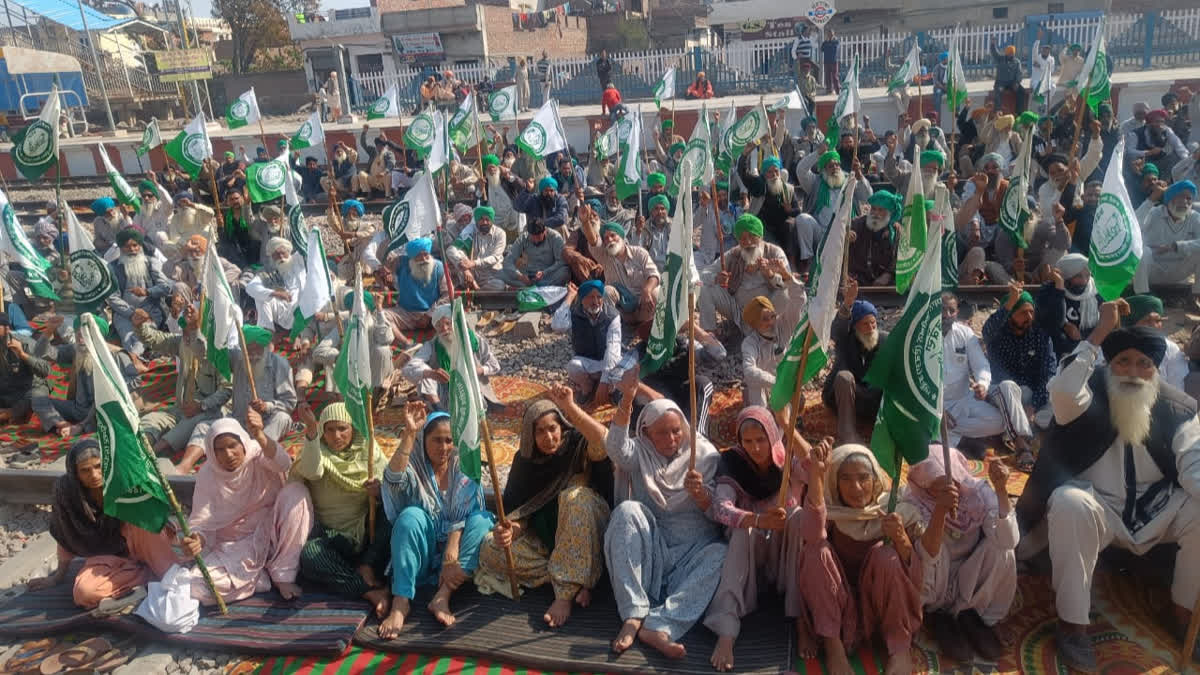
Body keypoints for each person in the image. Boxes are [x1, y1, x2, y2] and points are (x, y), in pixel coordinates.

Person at [1014, 301, 1200, 671]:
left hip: (1153, 510)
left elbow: (1193, 460)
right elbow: (1063, 395)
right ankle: (1073, 624)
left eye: (1143, 364)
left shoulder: (1178, 407)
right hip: (1098, 507)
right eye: (1124, 362)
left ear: (1156, 369)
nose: (1133, 372)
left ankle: (1182, 609)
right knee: (1069, 503)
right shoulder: (1089, 393)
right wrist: (1098, 334)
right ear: (1109, 365)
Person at [585, 365, 727, 660]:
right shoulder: (639, 453)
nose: (672, 439)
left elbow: (718, 513)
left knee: (721, 555)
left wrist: (701, 494)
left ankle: (661, 624)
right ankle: (634, 613)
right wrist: (627, 399)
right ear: (646, 433)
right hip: (654, 552)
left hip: (692, 553)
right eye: (662, 433)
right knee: (626, 512)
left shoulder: (704, 456)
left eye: (676, 431)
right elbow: (614, 447)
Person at [477, 393, 613, 626]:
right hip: (549, 541)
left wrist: (570, 406)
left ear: (562, 426)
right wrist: (510, 531)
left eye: (553, 428)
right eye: (540, 431)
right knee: (490, 549)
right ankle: (575, 579)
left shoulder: (579, 445)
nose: (549, 437)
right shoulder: (525, 461)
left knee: (575, 497)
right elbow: (521, 512)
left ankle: (564, 595)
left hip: (589, 534)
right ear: (530, 435)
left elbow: (604, 442)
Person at [798, 441, 925, 675]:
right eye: (845, 479)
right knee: (816, 551)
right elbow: (812, 535)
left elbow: (917, 575)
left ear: (876, 479)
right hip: (840, 608)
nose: (855, 487)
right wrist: (816, 475)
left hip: (878, 610)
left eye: (863, 477)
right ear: (835, 482)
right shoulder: (831, 509)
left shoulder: (895, 509)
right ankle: (833, 647)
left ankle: (899, 649)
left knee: (886, 555)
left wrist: (901, 539)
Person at [701, 407, 813, 671]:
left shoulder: (783, 458)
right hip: (751, 556)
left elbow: (813, 469)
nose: (755, 448)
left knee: (797, 516)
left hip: (782, 554)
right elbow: (720, 508)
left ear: (772, 437)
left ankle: (799, 618)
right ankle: (726, 629)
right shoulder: (732, 462)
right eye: (748, 441)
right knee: (743, 529)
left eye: (761, 440)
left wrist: (786, 425)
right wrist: (759, 520)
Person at [378, 406, 494, 635]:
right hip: (422, 556)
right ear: (424, 441)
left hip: (457, 561)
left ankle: (443, 596)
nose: (444, 448)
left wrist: (452, 549)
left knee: (482, 520)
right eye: (437, 440)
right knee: (410, 517)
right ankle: (400, 603)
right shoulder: (415, 465)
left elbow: (465, 511)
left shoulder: (462, 465)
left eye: (449, 440)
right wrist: (410, 433)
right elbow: (392, 480)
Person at [178, 414, 313, 605]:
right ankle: (261, 576)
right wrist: (196, 540)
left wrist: (260, 435)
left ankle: (284, 574)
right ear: (211, 452)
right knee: (195, 586)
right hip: (236, 547)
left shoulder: (258, 452)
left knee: (296, 493)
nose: (228, 455)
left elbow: (284, 463)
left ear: (243, 442)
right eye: (220, 449)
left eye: (232, 446)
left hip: (274, 533)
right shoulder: (208, 474)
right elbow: (201, 521)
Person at [26, 440, 177, 609]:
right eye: (85, 470)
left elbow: (156, 512)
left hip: (141, 541)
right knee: (84, 594)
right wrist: (57, 577)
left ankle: (168, 574)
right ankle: (148, 575)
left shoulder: (121, 478)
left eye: (99, 466)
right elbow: (65, 534)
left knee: (145, 521)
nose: (95, 475)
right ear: (75, 473)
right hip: (107, 556)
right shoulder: (66, 491)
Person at [904, 447, 1016, 662]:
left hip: (969, 572)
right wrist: (940, 511)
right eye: (938, 487)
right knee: (930, 555)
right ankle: (937, 616)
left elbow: (1009, 539)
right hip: (936, 580)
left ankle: (973, 615)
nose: (951, 489)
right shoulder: (913, 502)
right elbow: (927, 554)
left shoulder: (977, 491)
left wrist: (1001, 491)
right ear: (925, 485)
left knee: (1002, 548)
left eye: (954, 482)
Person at [293, 402, 392, 615]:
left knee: (396, 513)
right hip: (334, 537)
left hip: (368, 533)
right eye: (329, 429)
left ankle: (367, 565)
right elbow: (311, 471)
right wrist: (311, 432)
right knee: (310, 556)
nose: (336, 436)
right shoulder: (315, 450)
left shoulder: (369, 449)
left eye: (342, 429)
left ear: (352, 429)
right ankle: (366, 590)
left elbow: (393, 484)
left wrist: (380, 491)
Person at [133, 304, 231, 469]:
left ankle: (150, 456)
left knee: (192, 423)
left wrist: (201, 406)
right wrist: (139, 326)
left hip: (208, 411)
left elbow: (226, 390)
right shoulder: (181, 342)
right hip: (180, 409)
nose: (186, 337)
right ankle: (142, 449)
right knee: (149, 421)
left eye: (191, 333)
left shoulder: (219, 353)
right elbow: (155, 339)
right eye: (184, 332)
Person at [941, 293, 1034, 460]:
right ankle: (957, 437)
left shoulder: (965, 333)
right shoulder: (924, 338)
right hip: (938, 406)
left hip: (965, 398)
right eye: (942, 310)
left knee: (1002, 420)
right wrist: (938, 411)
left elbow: (981, 365)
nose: (946, 315)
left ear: (957, 312)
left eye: (951, 310)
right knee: (930, 423)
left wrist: (982, 384)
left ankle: (953, 437)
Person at [983, 283, 1057, 464]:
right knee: (1010, 388)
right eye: (1023, 312)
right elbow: (987, 331)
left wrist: (1034, 404)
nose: (1029, 317)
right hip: (1002, 393)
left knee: (1057, 401)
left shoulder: (1039, 335)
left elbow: (1048, 372)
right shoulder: (998, 334)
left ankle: (1024, 426)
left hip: (1032, 398)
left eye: (1031, 312)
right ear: (1010, 315)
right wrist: (1010, 302)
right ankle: (1023, 444)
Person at [32, 314, 137, 439]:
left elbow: (130, 387)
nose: (80, 336)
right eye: (78, 332)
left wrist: (81, 426)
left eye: (86, 332)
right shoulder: (77, 349)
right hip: (78, 409)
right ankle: (61, 424)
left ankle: (79, 428)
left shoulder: (116, 356)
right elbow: (39, 354)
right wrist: (49, 331)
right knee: (37, 398)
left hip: (102, 412)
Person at [699, 213, 801, 335]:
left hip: (770, 313)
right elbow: (703, 274)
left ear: (761, 236)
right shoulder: (734, 255)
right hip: (741, 314)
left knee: (785, 292)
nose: (747, 242)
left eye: (752, 236)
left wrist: (770, 275)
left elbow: (789, 283)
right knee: (705, 289)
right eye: (742, 238)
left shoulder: (774, 252)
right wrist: (716, 278)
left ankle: (770, 331)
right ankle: (709, 336)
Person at [401, 303, 500, 410]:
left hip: (471, 390)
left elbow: (494, 365)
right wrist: (431, 373)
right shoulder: (432, 345)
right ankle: (440, 411)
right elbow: (408, 369)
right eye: (439, 326)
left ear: (456, 324)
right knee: (425, 374)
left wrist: (477, 370)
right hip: (443, 393)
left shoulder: (474, 340)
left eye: (448, 323)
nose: (444, 329)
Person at [823, 286, 887, 444]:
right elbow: (837, 328)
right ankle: (848, 435)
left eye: (873, 323)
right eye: (865, 324)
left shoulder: (886, 340)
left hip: (873, 398)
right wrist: (847, 304)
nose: (871, 328)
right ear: (855, 326)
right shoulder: (846, 338)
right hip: (845, 396)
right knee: (844, 378)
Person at [794, 149, 873, 274]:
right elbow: (801, 170)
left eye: (837, 164)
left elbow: (868, 196)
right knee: (802, 219)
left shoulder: (850, 180)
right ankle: (808, 261)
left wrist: (859, 175)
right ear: (823, 169)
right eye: (830, 165)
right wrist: (818, 153)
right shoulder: (815, 182)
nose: (835, 168)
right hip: (822, 234)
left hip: (846, 232)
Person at [550, 280, 628, 406]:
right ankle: (588, 386)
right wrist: (569, 298)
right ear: (581, 299)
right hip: (588, 361)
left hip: (609, 361)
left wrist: (604, 381)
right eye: (591, 297)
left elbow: (613, 350)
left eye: (599, 297)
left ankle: (611, 388)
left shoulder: (612, 316)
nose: (595, 302)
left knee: (621, 366)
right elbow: (557, 326)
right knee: (573, 367)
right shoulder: (574, 314)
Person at [1134, 180, 1200, 309]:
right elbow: (1132, 225)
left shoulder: (1195, 217)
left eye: (1189, 198)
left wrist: (1176, 246)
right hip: (1154, 271)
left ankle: (1196, 297)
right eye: (1181, 196)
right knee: (1142, 251)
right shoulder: (1154, 213)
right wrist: (1151, 199)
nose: (1185, 202)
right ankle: (1143, 298)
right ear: (1170, 198)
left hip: (1179, 271)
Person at [107, 228, 171, 357]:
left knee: (141, 339)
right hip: (124, 313)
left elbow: (166, 287)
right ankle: (134, 360)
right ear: (120, 248)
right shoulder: (112, 267)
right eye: (127, 246)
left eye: (135, 245)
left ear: (140, 245)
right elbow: (112, 297)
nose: (132, 250)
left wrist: (147, 292)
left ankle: (131, 360)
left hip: (150, 311)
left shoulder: (152, 262)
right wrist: (131, 312)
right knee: (128, 340)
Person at [738, 153, 801, 264]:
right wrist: (745, 155)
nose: (774, 175)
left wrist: (789, 210)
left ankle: (791, 264)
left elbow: (797, 211)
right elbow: (743, 174)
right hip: (763, 227)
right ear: (764, 174)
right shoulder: (760, 186)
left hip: (781, 228)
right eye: (770, 172)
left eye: (776, 171)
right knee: (771, 250)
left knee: (790, 225)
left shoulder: (788, 189)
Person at [1037, 253, 1103, 359]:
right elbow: (1054, 324)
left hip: (1089, 347)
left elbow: (1100, 326)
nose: (1084, 281)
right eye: (1078, 276)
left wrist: (1081, 336)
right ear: (1066, 276)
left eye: (1087, 275)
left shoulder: (1095, 292)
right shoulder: (1048, 291)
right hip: (1059, 350)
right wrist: (1059, 287)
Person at [383, 238, 447, 345]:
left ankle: (438, 344)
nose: (424, 259)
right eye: (418, 256)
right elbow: (383, 257)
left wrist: (429, 315)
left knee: (452, 316)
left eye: (426, 254)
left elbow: (447, 295)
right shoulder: (401, 263)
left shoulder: (438, 267)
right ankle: (406, 342)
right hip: (407, 313)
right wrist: (387, 236)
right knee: (381, 316)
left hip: (433, 314)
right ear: (411, 257)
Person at [1123, 294, 1189, 391]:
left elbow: (1177, 390)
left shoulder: (1170, 349)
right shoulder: (1114, 346)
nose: (1154, 326)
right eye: (1147, 321)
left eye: (1158, 320)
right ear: (1131, 322)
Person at [0, 311, 50, 426]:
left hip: (27, 391)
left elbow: (45, 370)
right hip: (6, 393)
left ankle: (9, 414)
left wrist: (23, 354)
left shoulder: (25, 343)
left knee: (37, 396)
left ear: (6, 328)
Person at [245, 238, 304, 332]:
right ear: (272, 257)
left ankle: (301, 332)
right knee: (261, 298)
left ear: (289, 252)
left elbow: (307, 247)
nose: (281, 257)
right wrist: (275, 293)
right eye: (276, 254)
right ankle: (268, 333)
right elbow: (250, 287)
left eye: (283, 252)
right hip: (283, 312)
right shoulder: (268, 271)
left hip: (302, 308)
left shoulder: (298, 260)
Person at [847, 191, 902, 286]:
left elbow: (901, 257)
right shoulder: (857, 224)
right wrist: (845, 238)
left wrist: (888, 274)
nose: (876, 213)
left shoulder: (897, 231)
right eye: (873, 209)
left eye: (881, 210)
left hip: (887, 286)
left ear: (890, 213)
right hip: (858, 281)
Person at [739, 297, 784, 409]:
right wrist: (775, 382)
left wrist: (792, 282)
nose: (770, 322)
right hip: (763, 386)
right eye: (765, 319)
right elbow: (749, 371)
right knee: (759, 414)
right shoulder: (749, 343)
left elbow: (798, 302)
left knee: (797, 405)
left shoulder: (783, 329)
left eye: (772, 316)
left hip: (782, 383)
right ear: (755, 323)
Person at [501, 219, 570, 289]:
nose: (536, 241)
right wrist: (520, 276)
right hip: (528, 275)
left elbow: (561, 261)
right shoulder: (523, 238)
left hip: (548, 274)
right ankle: (537, 287)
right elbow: (508, 261)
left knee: (564, 272)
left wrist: (544, 272)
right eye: (533, 238)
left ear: (545, 231)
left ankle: (531, 288)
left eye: (538, 237)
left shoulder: (555, 237)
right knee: (501, 273)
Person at [990, 41, 1026, 114]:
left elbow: (1019, 73)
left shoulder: (1017, 62)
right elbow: (994, 53)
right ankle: (998, 110)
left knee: (1022, 92)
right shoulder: (1000, 58)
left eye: (1012, 53)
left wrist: (1017, 82)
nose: (1010, 54)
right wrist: (993, 44)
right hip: (1001, 82)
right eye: (1009, 53)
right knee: (998, 91)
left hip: (1011, 83)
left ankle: (1019, 112)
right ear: (1006, 53)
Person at [821, 30, 840, 94]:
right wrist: (827, 43)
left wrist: (828, 44)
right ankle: (829, 90)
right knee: (827, 76)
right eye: (828, 34)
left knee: (834, 76)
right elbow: (822, 49)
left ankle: (837, 90)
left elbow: (834, 48)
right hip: (826, 61)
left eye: (831, 34)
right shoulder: (825, 42)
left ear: (833, 34)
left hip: (833, 61)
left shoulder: (836, 41)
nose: (830, 36)